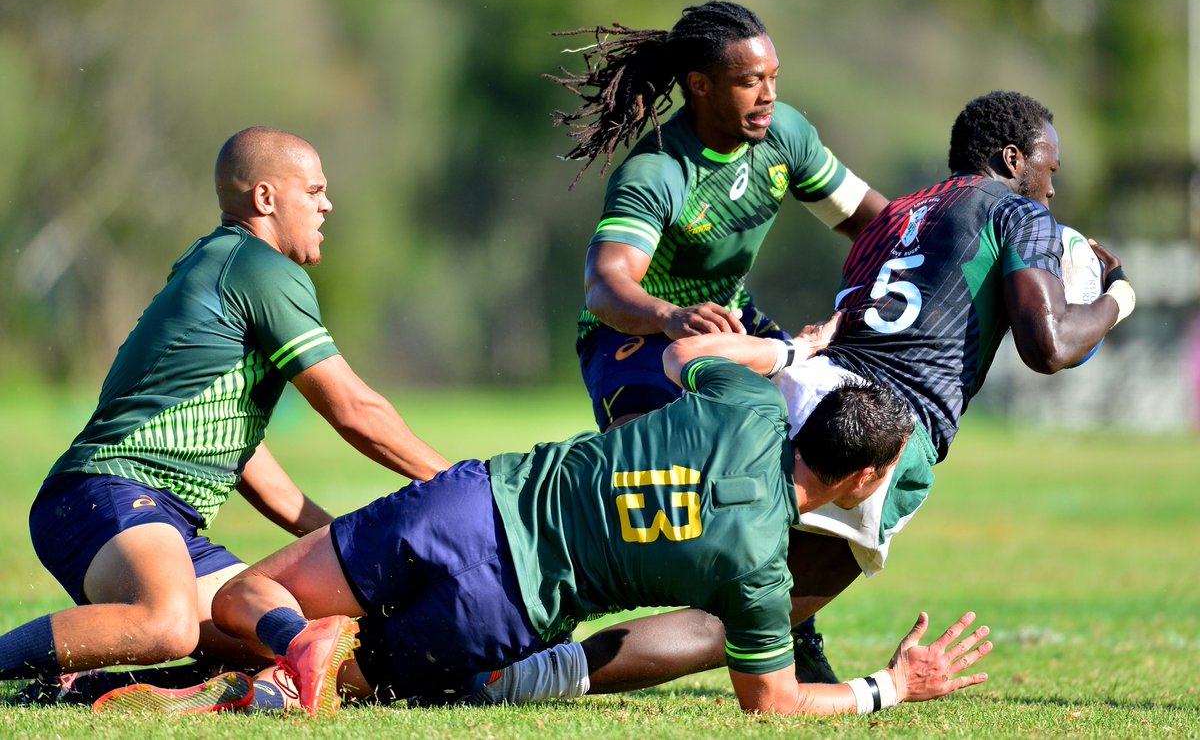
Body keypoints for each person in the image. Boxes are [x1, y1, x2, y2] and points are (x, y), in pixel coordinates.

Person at [442, 90, 1135, 707]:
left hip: (804, 387)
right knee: (745, 618)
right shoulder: (1019, 213)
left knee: (688, 555)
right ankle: (522, 676)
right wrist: (1117, 296)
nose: (1050, 190)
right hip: (877, 425)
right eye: (1050, 169)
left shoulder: (895, 215)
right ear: (1014, 159)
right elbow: (1048, 346)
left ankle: (500, 622)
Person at [93, 333, 992, 718]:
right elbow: (775, 703)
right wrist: (891, 688)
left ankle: (285, 642)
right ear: (861, 480)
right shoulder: (760, 572)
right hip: (504, 609)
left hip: (471, 504)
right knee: (340, 687)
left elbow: (681, 353)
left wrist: (794, 351)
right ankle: (282, 673)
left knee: (252, 592)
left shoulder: (750, 402)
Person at [0, 127, 450, 695]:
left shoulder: (221, 262)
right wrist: (457, 484)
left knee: (268, 637)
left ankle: (84, 690)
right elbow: (353, 408)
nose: (326, 204)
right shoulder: (259, 267)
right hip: (103, 491)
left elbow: (253, 464)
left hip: (159, 518)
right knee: (168, 624)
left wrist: (342, 539)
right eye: (313, 191)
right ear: (266, 199)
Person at [552, 0, 888, 681]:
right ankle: (536, 617)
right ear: (700, 84)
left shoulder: (785, 137)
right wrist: (670, 316)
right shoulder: (658, 171)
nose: (768, 95)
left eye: (773, 77)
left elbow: (874, 223)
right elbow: (606, 285)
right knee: (673, 498)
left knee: (810, 456)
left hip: (733, 327)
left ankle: (793, 630)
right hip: (634, 343)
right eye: (749, 81)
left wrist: (938, 240)